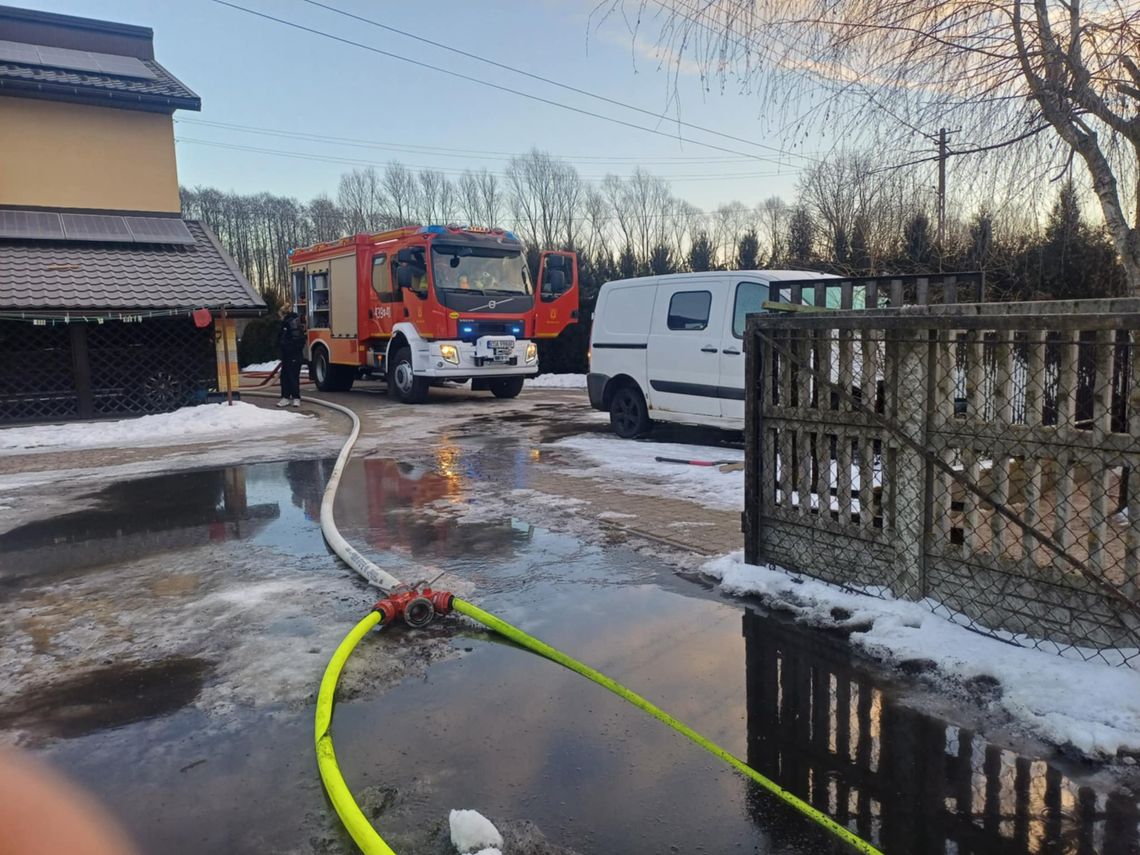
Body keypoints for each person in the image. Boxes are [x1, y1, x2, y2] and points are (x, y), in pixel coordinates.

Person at [277, 307, 305, 407]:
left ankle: (294, 398)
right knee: (287, 376)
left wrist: (284, 348)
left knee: (291, 376)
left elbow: (285, 339)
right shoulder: (295, 322)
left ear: (283, 314)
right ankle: (287, 397)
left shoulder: (288, 324)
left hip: (291, 355)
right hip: (294, 355)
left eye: (279, 316)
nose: (279, 318)